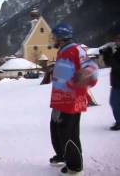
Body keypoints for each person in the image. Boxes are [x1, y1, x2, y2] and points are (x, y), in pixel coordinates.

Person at [48, 23, 98, 176]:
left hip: (71, 101)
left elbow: (92, 71)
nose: (53, 40)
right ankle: (63, 156)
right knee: (56, 127)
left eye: (54, 37)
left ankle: (75, 167)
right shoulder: (63, 51)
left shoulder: (75, 50)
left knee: (68, 133)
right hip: (60, 100)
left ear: (61, 37)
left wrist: (77, 80)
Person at [99, 34, 120, 130]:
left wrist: (109, 55)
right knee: (114, 102)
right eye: (116, 39)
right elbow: (108, 63)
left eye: (118, 40)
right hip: (116, 82)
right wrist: (105, 55)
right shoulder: (117, 51)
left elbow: (116, 65)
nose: (117, 41)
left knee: (115, 102)